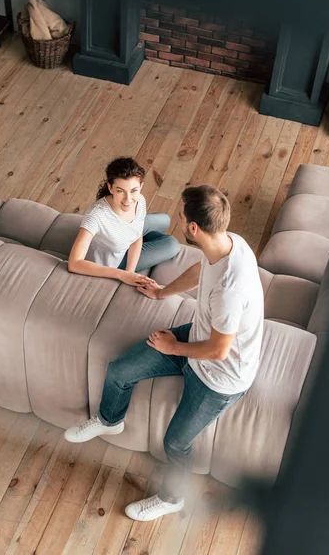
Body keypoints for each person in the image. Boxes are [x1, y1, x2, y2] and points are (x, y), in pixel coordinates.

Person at [65, 185, 264, 522]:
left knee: (175, 442)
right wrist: (162, 294)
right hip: (198, 337)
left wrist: (174, 348)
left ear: (194, 229)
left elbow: (218, 350)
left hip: (220, 377)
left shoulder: (232, 288)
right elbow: (200, 270)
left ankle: (173, 499)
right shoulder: (227, 244)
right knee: (119, 371)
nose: (178, 222)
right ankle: (109, 420)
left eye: (182, 218)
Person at [68, 157, 180, 286]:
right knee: (172, 244)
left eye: (134, 190)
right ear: (110, 188)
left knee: (165, 220)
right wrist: (122, 274)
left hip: (128, 238)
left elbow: (137, 235)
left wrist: (130, 272)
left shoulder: (139, 201)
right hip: (114, 261)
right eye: (120, 191)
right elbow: (74, 263)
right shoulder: (96, 216)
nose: (128, 200)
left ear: (141, 186)